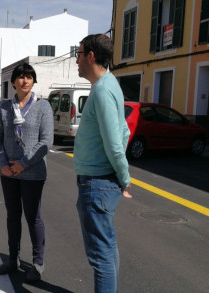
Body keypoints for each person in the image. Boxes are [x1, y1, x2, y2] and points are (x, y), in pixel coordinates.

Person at [74, 34, 132, 293]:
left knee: (101, 257)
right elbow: (124, 132)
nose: (76, 59)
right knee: (107, 251)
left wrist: (124, 178)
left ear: (91, 56)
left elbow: (115, 142)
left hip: (97, 184)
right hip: (100, 182)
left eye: (79, 53)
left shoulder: (103, 90)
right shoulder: (109, 85)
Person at [0, 63, 54, 282]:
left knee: (32, 217)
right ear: (14, 82)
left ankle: (37, 264)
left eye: (29, 77)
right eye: (20, 77)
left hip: (33, 172)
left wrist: (23, 164)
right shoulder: (5, 107)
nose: (24, 80)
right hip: (8, 173)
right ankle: (12, 258)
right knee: (12, 216)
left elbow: (47, 141)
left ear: (33, 81)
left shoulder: (43, 106)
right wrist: (2, 163)